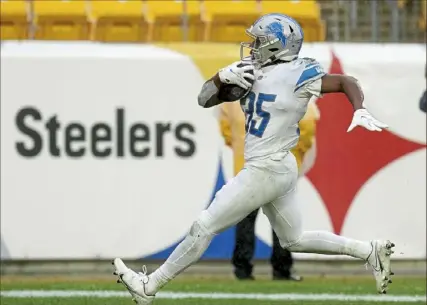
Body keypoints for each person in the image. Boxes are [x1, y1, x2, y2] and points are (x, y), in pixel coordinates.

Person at [112, 14, 394, 304]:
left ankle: (150, 286)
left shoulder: (299, 73)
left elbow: (346, 81)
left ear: (277, 46)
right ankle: (369, 251)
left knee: (205, 226)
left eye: (259, 41)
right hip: (277, 167)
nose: (252, 45)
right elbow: (204, 98)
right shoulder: (250, 70)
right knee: (293, 240)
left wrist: (359, 108)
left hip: (267, 167)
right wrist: (220, 79)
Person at [221, 100, 319, 281]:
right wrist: (297, 153)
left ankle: (242, 270)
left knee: (245, 221)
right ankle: (282, 270)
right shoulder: (288, 87)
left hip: (247, 166)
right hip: (278, 165)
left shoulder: (236, 95)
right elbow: (306, 124)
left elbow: (226, 126)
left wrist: (238, 147)